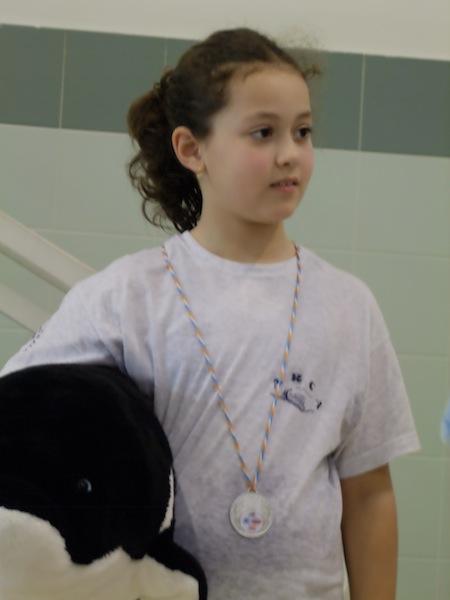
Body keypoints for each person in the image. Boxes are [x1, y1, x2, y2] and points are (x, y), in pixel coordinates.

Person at [0, 27, 421, 599]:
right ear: (192, 149)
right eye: (263, 132)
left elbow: (369, 493)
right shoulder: (127, 296)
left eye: (302, 131)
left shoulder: (349, 306)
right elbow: (20, 415)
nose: (289, 153)